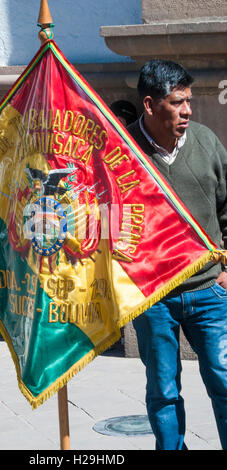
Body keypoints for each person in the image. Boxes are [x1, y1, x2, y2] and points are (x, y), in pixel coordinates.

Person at [127, 59, 227, 450]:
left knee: (223, 379)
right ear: (150, 105)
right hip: (153, 297)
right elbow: (106, 219)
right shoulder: (124, 152)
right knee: (163, 389)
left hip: (209, 291)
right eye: (176, 102)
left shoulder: (205, 142)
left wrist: (224, 273)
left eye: (189, 100)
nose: (187, 110)